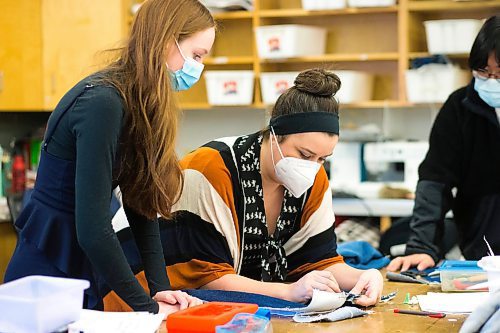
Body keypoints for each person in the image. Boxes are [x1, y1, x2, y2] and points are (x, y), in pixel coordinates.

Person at [105, 68, 384, 310]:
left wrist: (363, 277)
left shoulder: (314, 179)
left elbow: (319, 261)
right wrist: (288, 291)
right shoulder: (212, 167)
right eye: (304, 154)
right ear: (274, 135)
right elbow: (208, 278)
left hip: (211, 299)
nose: (313, 167)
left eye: (323, 159)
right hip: (137, 295)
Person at [4, 0, 215, 316]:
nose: (197, 67)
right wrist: (146, 307)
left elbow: (140, 202)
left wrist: (160, 290)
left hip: (85, 260)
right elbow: (92, 228)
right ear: (166, 39)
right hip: (48, 263)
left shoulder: (136, 101)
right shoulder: (103, 102)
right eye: (196, 55)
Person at [387, 15, 500, 272]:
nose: (491, 81)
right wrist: (421, 247)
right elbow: (434, 182)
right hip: (482, 252)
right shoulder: (459, 108)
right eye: (483, 72)